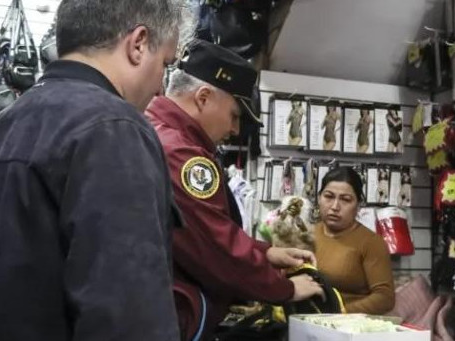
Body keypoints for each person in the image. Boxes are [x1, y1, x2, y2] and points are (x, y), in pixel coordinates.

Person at [0, 1, 189, 340]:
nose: (162, 87)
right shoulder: (114, 131)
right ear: (138, 44)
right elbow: (129, 318)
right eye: (165, 64)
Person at [145, 40, 323, 341]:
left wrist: (266, 252)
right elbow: (215, 246)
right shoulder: (181, 154)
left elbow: (208, 230)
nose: (236, 130)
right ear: (203, 97)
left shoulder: (157, 133)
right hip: (171, 317)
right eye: (235, 115)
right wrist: (287, 289)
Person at [314, 167, 395, 315]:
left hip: (348, 327)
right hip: (305, 320)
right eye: (329, 196)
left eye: (346, 200)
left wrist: (341, 313)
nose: (335, 206)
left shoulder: (371, 242)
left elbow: (385, 297)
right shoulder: (307, 235)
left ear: (358, 204)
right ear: (319, 198)